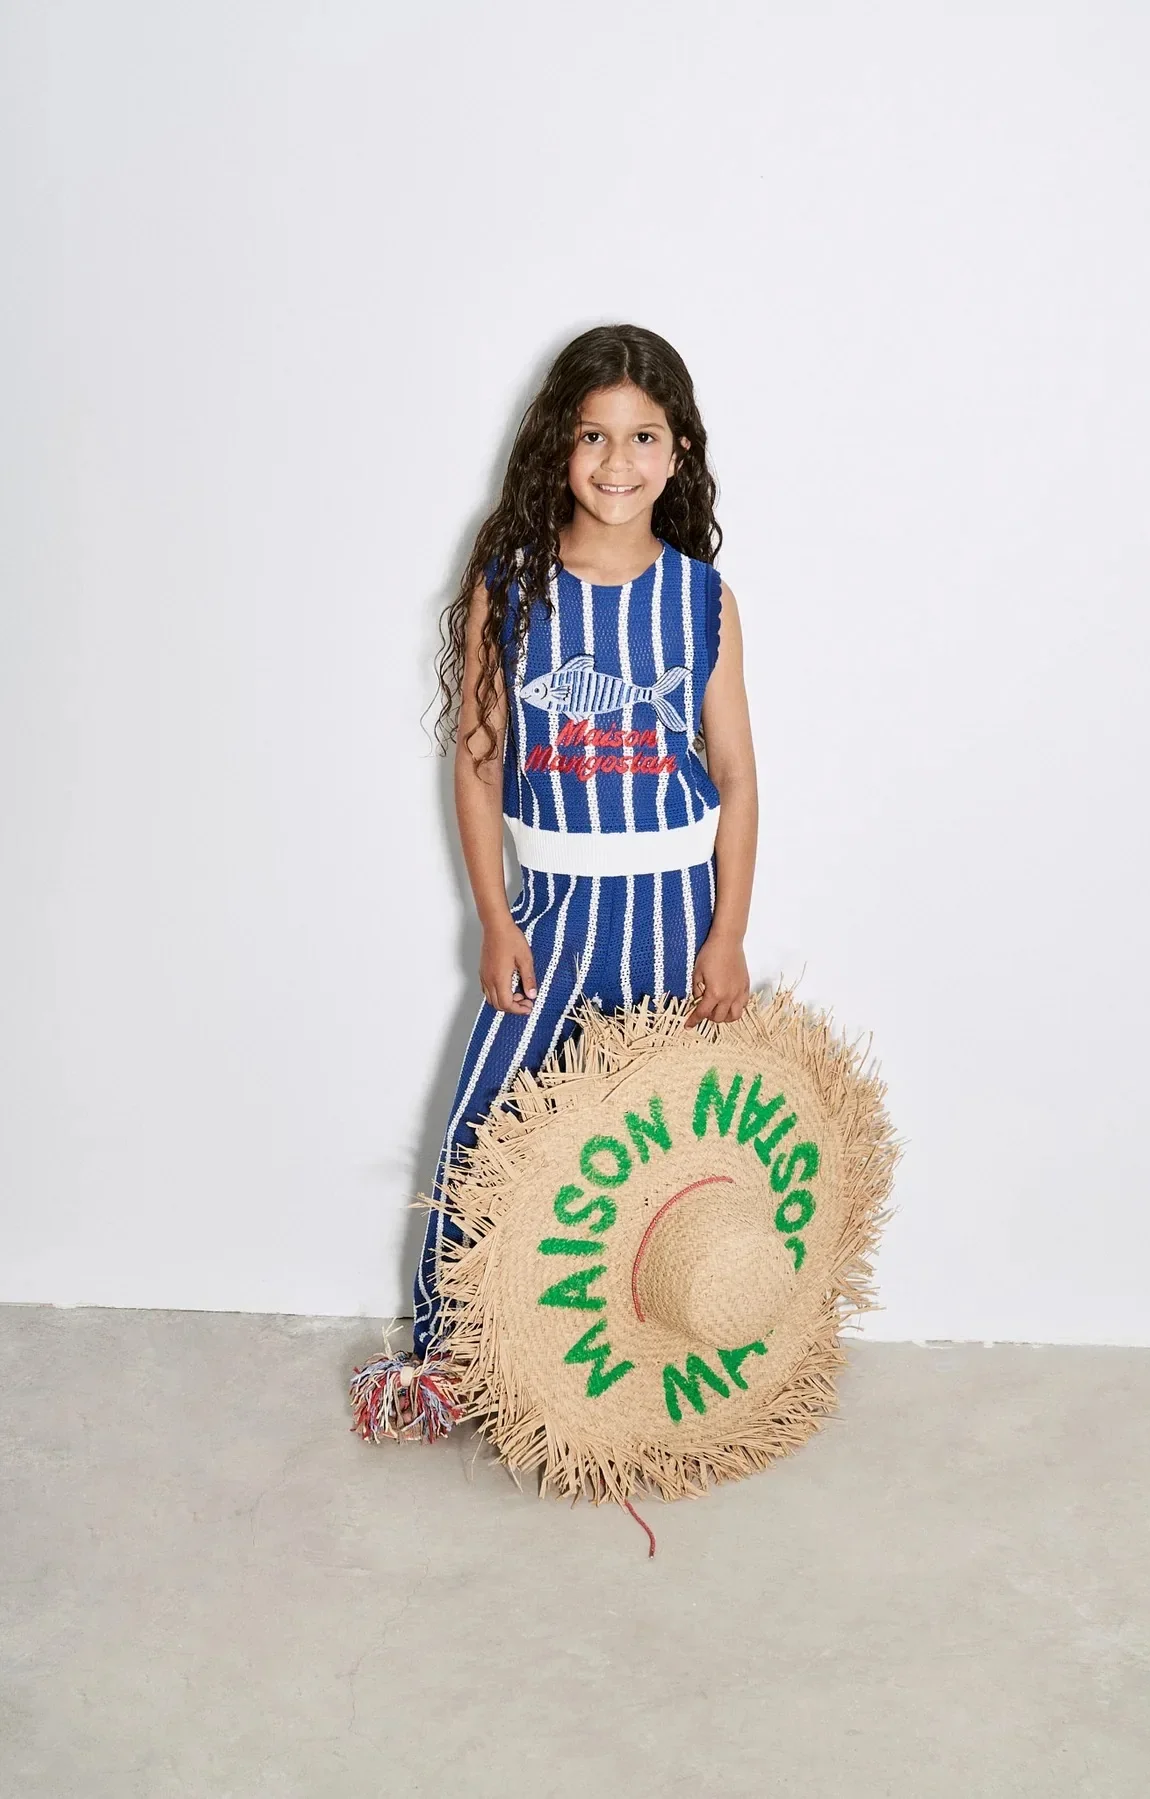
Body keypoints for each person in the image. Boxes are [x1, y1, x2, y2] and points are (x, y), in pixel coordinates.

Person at [413, 323, 759, 1366]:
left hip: (674, 919)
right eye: (592, 435)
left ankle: (633, 1372)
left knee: (660, 1166)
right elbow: (479, 763)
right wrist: (494, 915)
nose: (617, 462)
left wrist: (727, 934)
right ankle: (457, 1356)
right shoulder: (512, 583)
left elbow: (736, 776)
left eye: (642, 436)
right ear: (557, 447)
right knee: (489, 1132)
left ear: (678, 452)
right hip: (556, 916)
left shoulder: (700, 597)